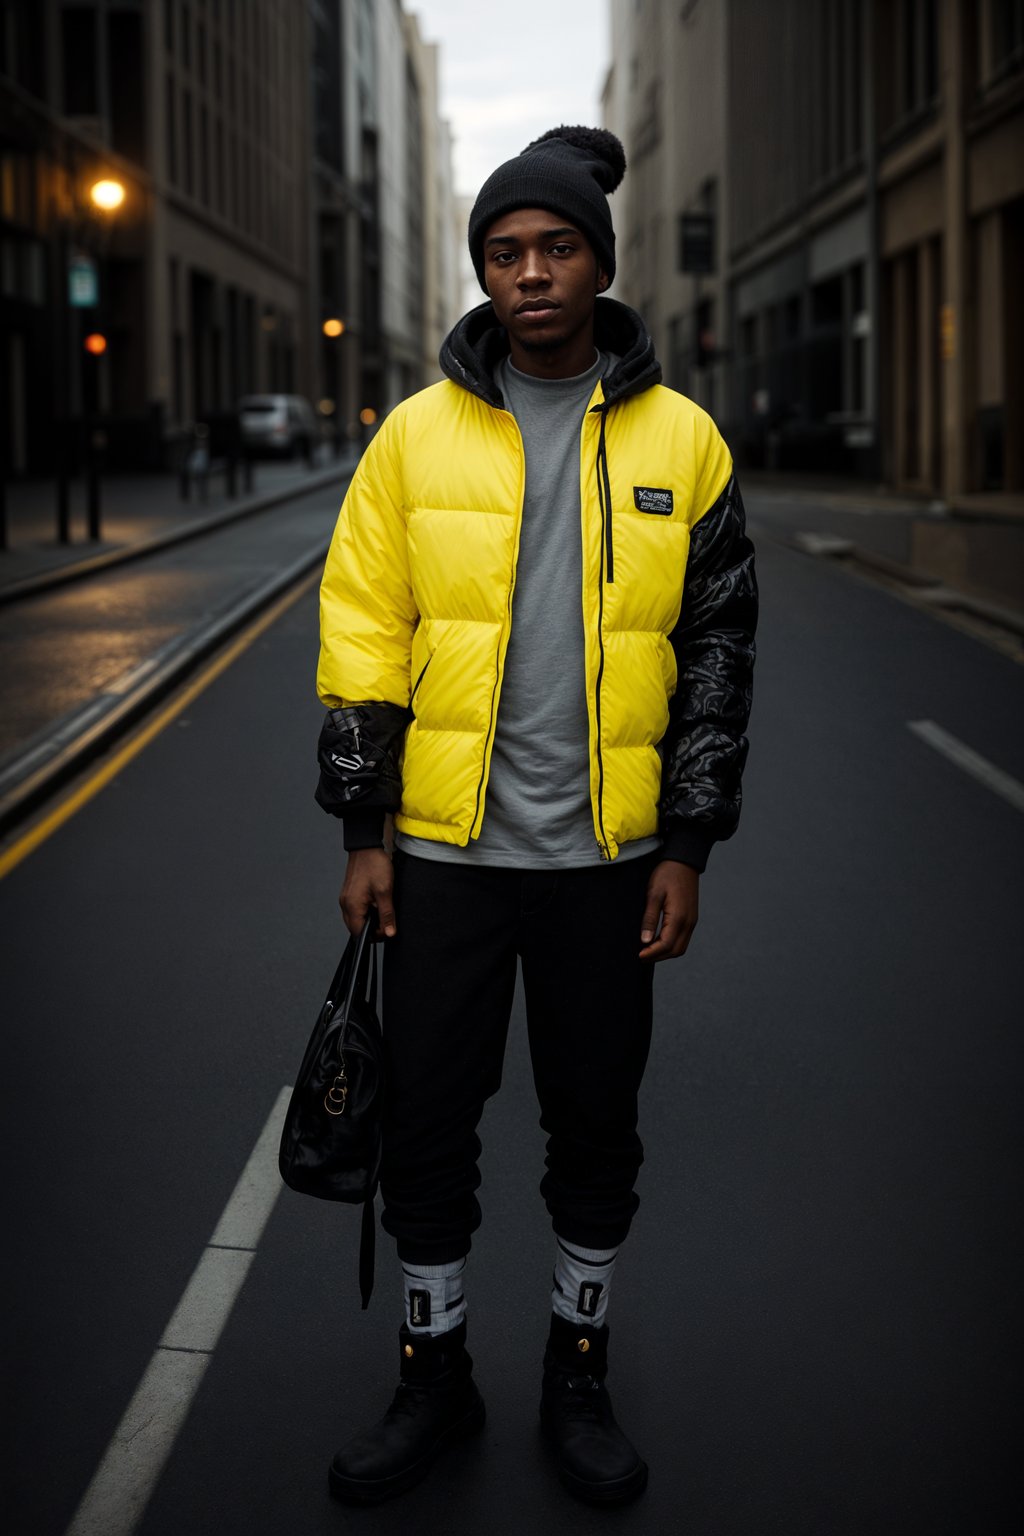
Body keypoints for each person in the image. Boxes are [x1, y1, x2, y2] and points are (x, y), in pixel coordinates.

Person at [314, 125, 757, 1508]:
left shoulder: (685, 441)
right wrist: (363, 831)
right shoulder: (412, 439)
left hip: (608, 865)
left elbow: (722, 653)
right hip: (446, 859)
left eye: (555, 247)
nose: (530, 273)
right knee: (427, 1126)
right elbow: (362, 636)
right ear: (481, 275)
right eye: (504, 253)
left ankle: (579, 1370)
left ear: (602, 264)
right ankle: (431, 1374)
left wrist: (687, 844)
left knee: (594, 1124)